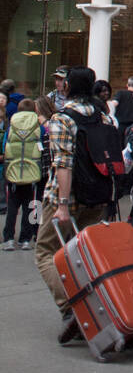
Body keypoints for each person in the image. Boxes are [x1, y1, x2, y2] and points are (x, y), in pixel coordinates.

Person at [34, 67, 115, 345]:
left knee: (46, 252)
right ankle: (100, 309)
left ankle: (73, 309)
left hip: (66, 198)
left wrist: (63, 204)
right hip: (98, 197)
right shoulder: (104, 117)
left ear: (67, 87)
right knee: (87, 255)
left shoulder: (63, 119)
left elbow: (63, 163)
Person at [2, 98, 42, 249]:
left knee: (12, 207)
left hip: (13, 172)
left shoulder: (11, 124)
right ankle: (25, 239)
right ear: (34, 110)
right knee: (30, 207)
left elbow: (6, 144)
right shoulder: (38, 125)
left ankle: (8, 239)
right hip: (32, 173)